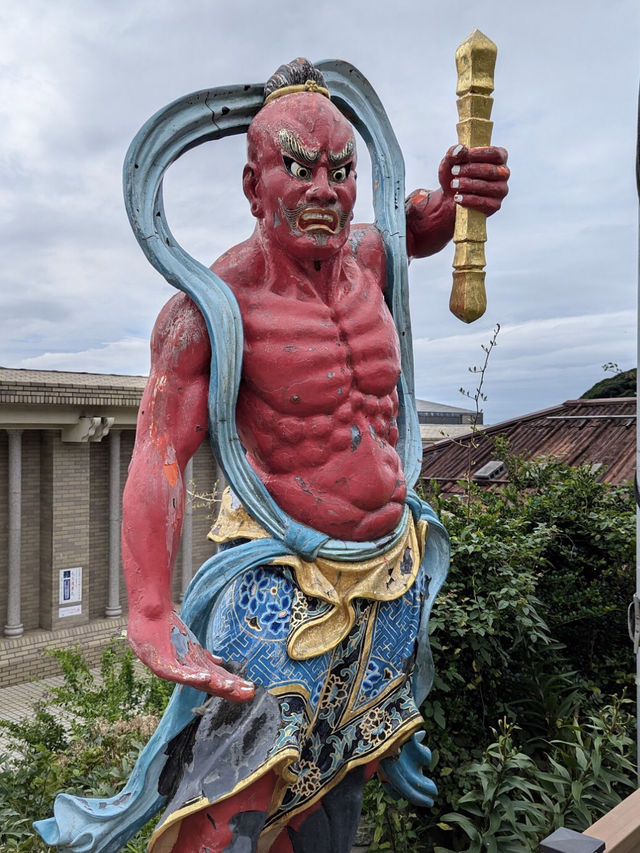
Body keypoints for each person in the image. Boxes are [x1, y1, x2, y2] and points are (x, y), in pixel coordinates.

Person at [37, 58, 509, 853]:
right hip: (282, 580)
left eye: (341, 170)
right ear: (254, 185)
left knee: (339, 777)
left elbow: (417, 226)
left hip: (388, 565)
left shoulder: (368, 258)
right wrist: (150, 608)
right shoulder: (210, 309)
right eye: (298, 169)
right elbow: (158, 450)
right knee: (232, 797)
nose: (323, 190)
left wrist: (462, 193)